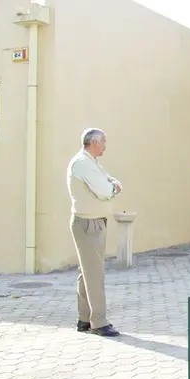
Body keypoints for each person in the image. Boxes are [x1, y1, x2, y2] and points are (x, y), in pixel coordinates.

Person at [67, 128, 122, 336]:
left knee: (87, 273)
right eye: (104, 141)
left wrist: (112, 186)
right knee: (94, 274)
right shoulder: (82, 163)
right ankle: (99, 322)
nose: (106, 145)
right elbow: (106, 190)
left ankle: (84, 319)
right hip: (87, 224)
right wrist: (113, 188)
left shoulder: (92, 163)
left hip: (94, 223)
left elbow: (111, 181)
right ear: (95, 142)